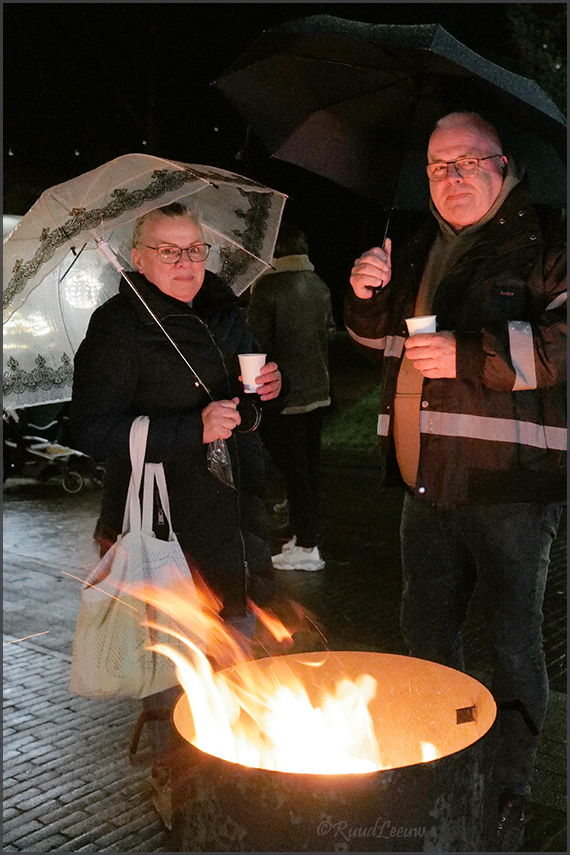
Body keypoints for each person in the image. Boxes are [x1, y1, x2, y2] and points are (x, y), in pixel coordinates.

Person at [345, 112, 566, 850]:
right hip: (425, 481)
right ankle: (440, 765)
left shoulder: (548, 239)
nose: (453, 177)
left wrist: (470, 354)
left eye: (469, 160)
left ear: (504, 165)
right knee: (425, 634)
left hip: (510, 487)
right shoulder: (413, 245)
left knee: (512, 643)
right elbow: (376, 340)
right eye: (439, 165)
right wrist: (367, 294)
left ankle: (507, 790)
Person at [69, 201, 286, 825]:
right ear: (138, 259)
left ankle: (234, 782)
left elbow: (249, 399)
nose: (186, 262)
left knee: (237, 643)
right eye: (169, 251)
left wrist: (269, 391)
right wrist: (189, 429)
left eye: (194, 249)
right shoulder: (118, 327)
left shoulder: (224, 311)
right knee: (174, 666)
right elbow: (88, 428)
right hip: (162, 522)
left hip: (235, 512)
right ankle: (181, 795)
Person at [247, 222, 336, 571]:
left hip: (283, 397)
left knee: (293, 472)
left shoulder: (268, 287)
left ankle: (307, 544)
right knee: (309, 468)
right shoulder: (318, 284)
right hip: (317, 390)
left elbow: (255, 343)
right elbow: (329, 331)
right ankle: (307, 534)